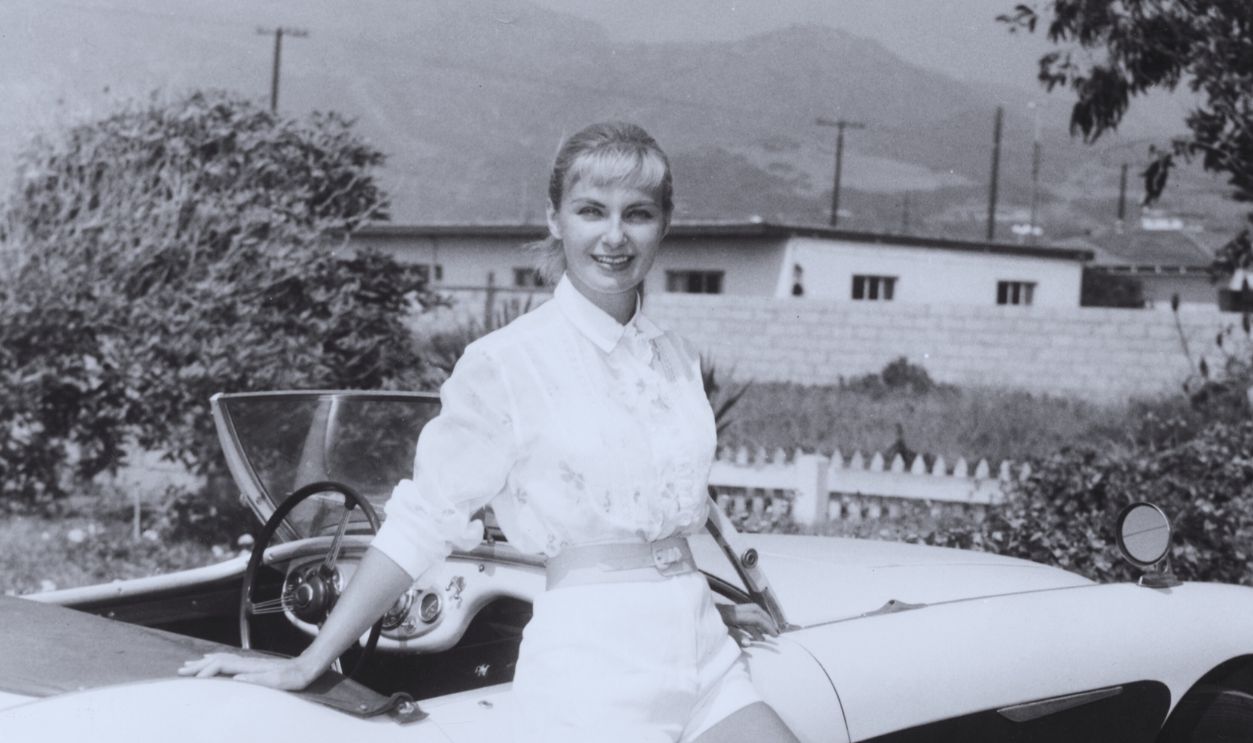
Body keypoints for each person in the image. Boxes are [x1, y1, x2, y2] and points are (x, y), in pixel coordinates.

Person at [181, 122, 800, 743]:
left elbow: (653, 519)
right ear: (556, 219)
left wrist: (707, 606)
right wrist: (310, 661)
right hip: (594, 679)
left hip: (707, 657)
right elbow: (423, 520)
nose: (614, 236)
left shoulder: (676, 358)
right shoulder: (507, 362)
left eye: (637, 214)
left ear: (665, 224)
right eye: (591, 211)